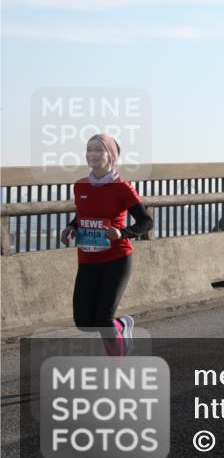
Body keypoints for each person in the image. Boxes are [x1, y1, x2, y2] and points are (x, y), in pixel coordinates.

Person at [59, 134, 153, 357]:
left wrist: (122, 232)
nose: (92, 154)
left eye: (98, 150)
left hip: (117, 258)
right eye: (89, 149)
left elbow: (146, 222)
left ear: (111, 155)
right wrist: (71, 227)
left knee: (103, 319)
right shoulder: (80, 186)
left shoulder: (122, 188)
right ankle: (122, 325)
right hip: (87, 259)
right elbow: (83, 215)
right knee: (83, 322)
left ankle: (117, 368)